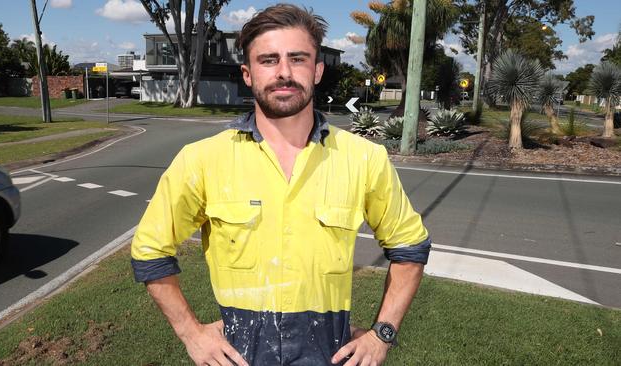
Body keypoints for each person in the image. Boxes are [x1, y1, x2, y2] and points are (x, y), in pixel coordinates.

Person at [131, 4, 431, 365]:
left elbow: (410, 248)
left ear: (317, 70)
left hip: (328, 355)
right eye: (269, 60)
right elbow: (150, 250)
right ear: (247, 73)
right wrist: (191, 333)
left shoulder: (364, 158)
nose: (284, 72)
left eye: (298, 59)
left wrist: (382, 335)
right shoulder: (201, 160)